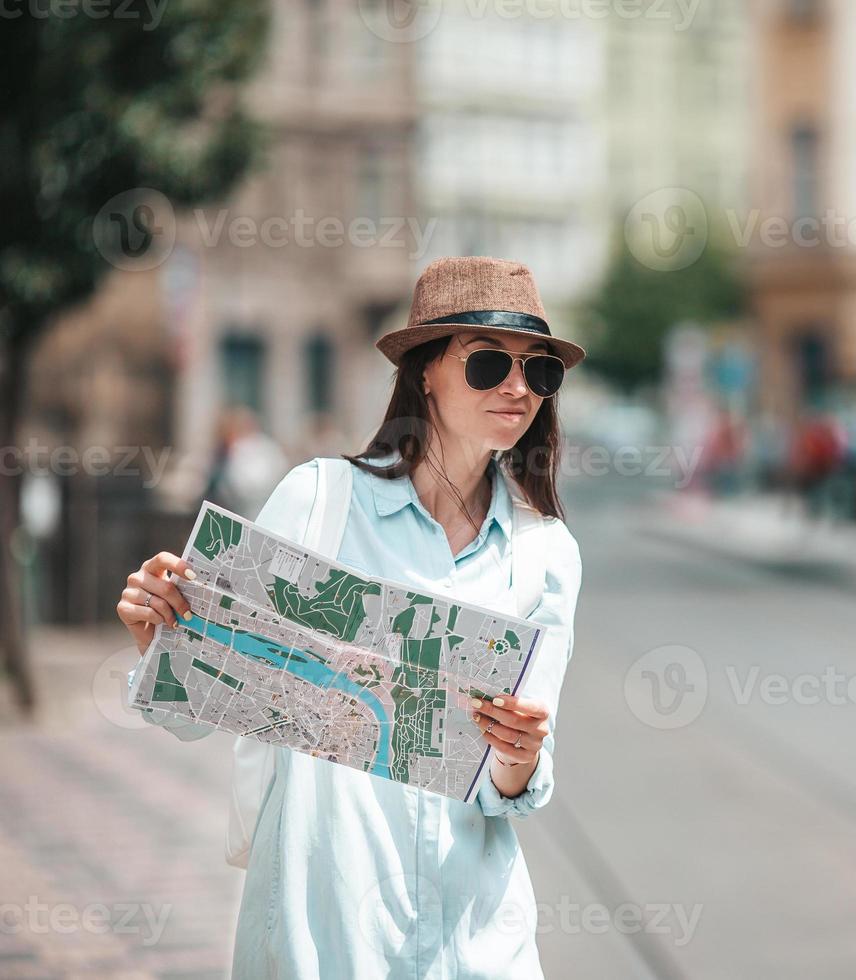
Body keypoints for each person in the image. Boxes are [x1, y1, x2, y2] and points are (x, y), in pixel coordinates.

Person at [115, 256, 586, 978]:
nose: (519, 387)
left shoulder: (548, 553)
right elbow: (196, 706)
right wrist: (163, 638)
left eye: (540, 370)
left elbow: (513, 786)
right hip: (324, 932)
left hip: (475, 940)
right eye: (489, 362)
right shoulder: (319, 501)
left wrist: (519, 760)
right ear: (424, 370)